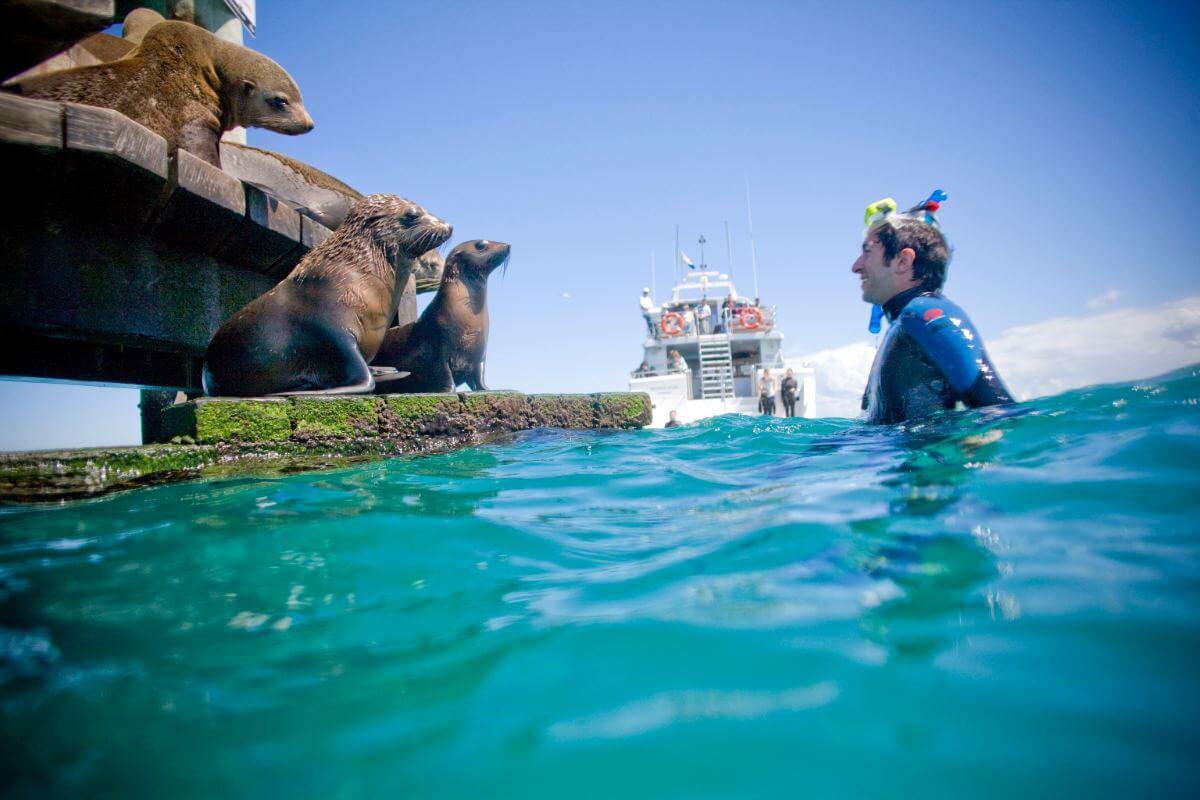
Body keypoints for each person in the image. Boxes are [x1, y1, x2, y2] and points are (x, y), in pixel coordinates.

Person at [853, 191, 1013, 424]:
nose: (855, 266)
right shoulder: (906, 325)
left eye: (867, 251)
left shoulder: (924, 315)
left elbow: (1002, 415)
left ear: (903, 261)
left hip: (924, 459)